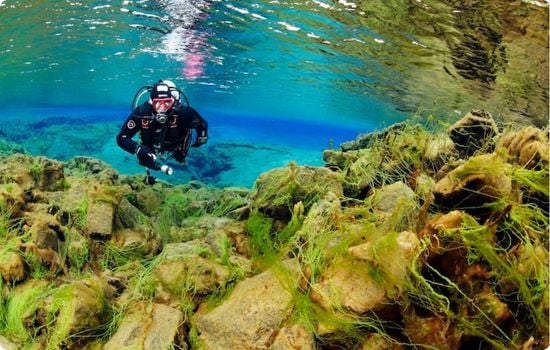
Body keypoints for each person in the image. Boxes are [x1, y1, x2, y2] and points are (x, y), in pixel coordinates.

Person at [116, 80, 208, 183]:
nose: (162, 108)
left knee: (180, 155)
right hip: (151, 147)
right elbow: (121, 138)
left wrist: (201, 138)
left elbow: (202, 124)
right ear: (151, 102)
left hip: (177, 144)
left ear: (172, 101)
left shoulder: (183, 112)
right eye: (157, 103)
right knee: (145, 157)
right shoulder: (142, 113)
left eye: (167, 102)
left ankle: (179, 154)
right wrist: (137, 148)